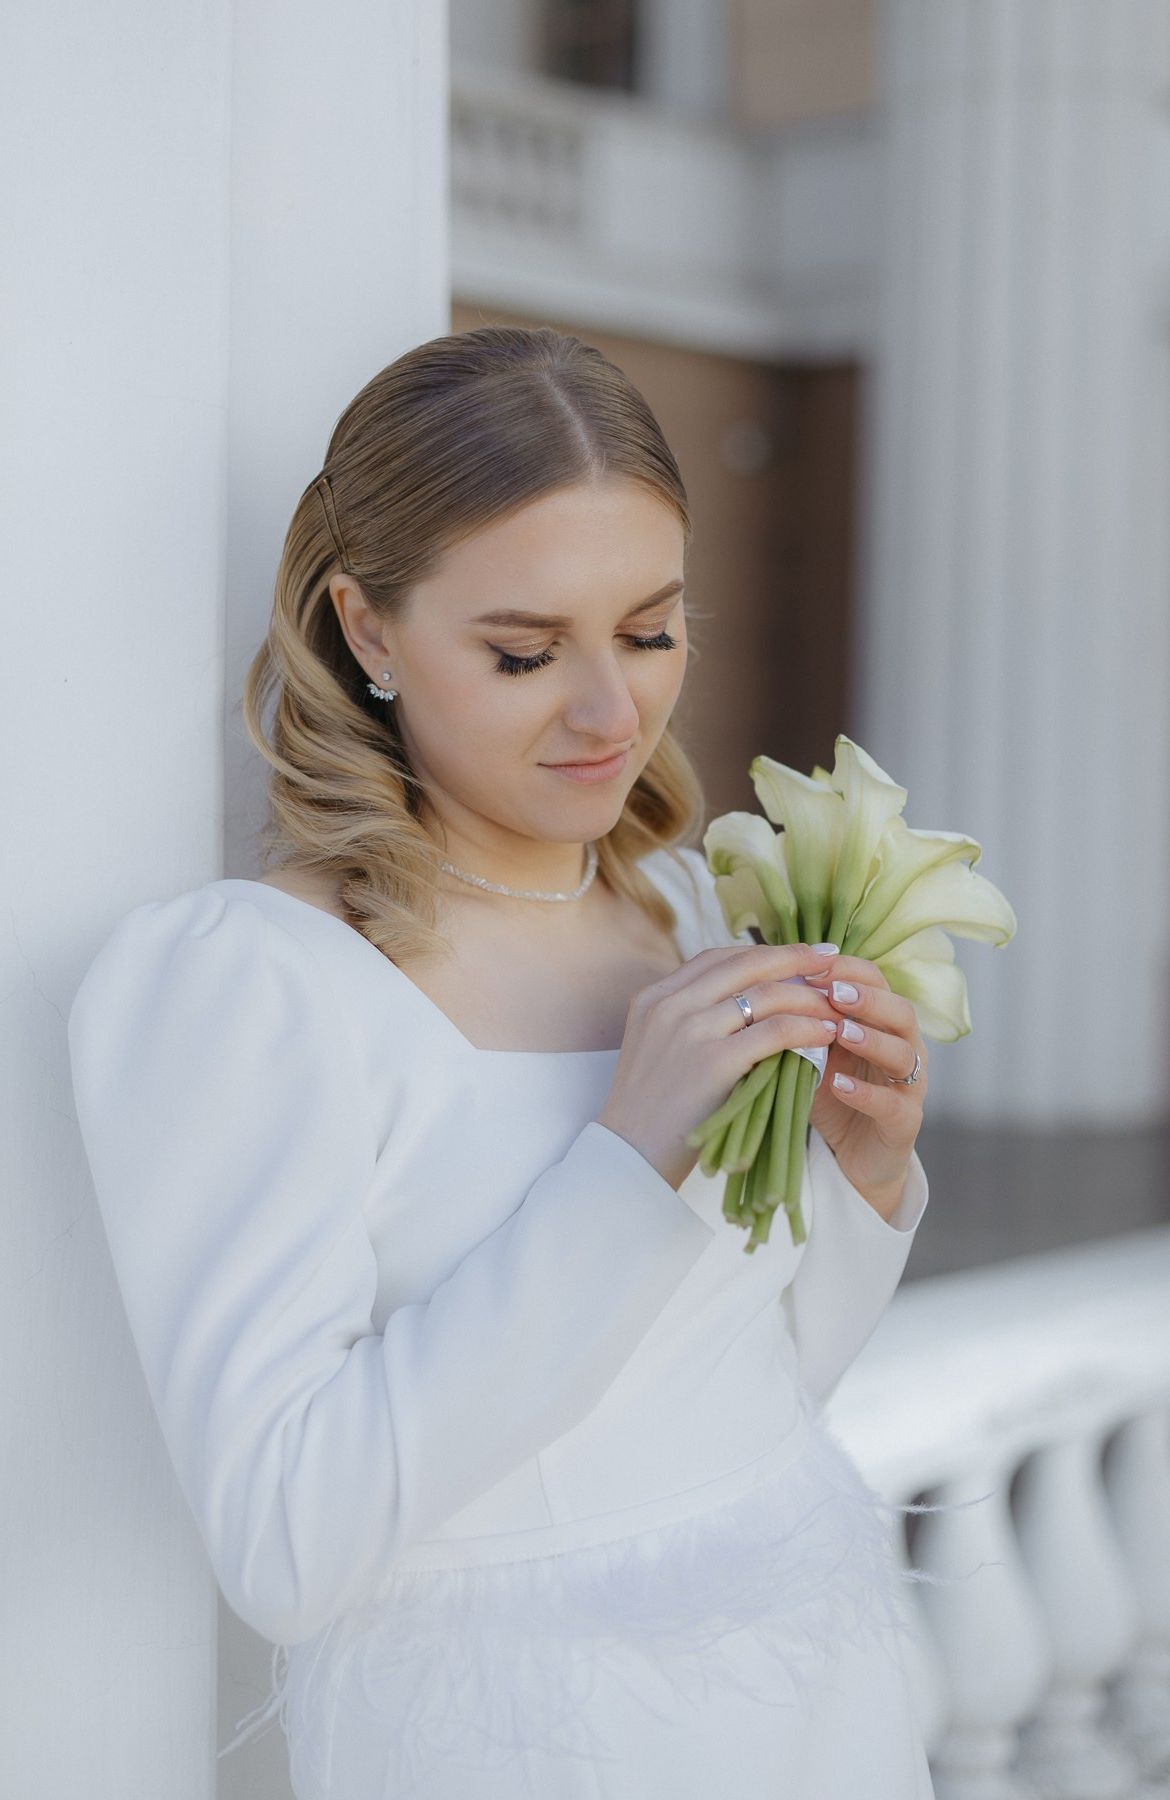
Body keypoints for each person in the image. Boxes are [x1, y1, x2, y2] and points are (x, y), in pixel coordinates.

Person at [68, 326, 934, 1800]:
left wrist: (864, 1173)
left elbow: (746, 1393)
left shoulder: (691, 909)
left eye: (651, 632)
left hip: (815, 1712)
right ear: (369, 629)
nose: (612, 713)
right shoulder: (250, 984)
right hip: (528, 1755)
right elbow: (285, 1544)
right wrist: (621, 1162)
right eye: (526, 652)